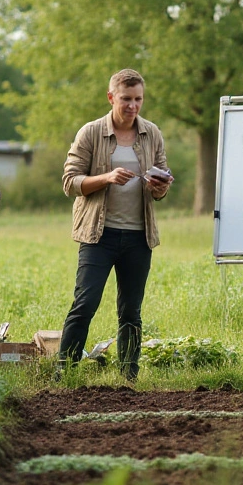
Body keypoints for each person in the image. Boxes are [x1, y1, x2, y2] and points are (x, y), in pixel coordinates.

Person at [57, 69, 171, 380]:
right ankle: (64, 372)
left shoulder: (152, 133)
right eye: (126, 99)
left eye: (138, 99)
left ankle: (128, 377)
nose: (132, 106)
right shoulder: (91, 133)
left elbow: (160, 183)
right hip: (98, 235)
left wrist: (159, 187)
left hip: (138, 237)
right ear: (111, 98)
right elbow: (70, 182)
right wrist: (107, 177)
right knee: (85, 303)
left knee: (131, 312)